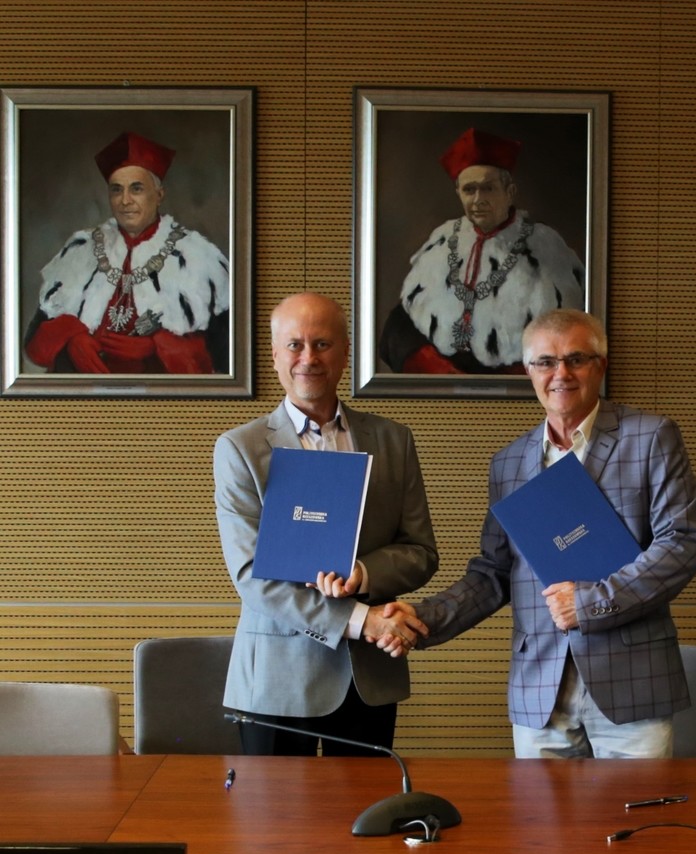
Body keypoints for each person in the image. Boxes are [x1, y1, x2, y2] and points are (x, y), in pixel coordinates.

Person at [375, 308, 696, 759]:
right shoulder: (509, 463)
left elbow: (682, 543)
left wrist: (588, 603)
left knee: (638, 806)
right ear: (528, 371)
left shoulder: (650, 437)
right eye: (545, 362)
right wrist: (422, 617)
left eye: (576, 359)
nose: (561, 374)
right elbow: (493, 574)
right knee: (540, 810)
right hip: (540, 692)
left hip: (632, 684)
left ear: (601, 366)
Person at [214, 291, 436, 756]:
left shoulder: (393, 440)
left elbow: (420, 552)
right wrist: (361, 620)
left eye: (322, 344)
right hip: (276, 682)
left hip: (368, 678)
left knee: (367, 805)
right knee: (272, 808)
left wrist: (364, 574)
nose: (308, 358)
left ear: (345, 352)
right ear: (275, 355)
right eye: (294, 345)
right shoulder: (241, 449)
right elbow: (252, 575)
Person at [379, 127, 585, 376]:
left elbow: (565, 335)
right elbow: (402, 324)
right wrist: (436, 370)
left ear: (510, 192)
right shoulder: (442, 240)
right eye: (469, 190)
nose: (478, 200)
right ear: (458, 193)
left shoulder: (545, 246)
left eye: (488, 188)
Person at [25, 130, 230, 375]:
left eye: (136, 189)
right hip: (85, 392)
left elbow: (226, 359)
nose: (125, 200)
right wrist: (72, 339)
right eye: (116, 190)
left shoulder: (197, 257)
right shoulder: (82, 250)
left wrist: (157, 346)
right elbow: (34, 347)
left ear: (159, 195)